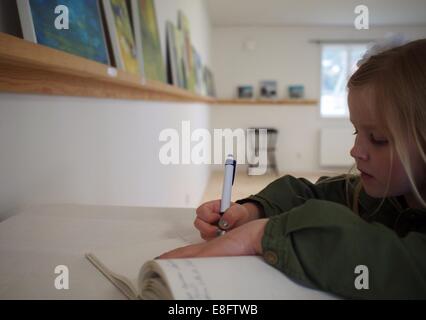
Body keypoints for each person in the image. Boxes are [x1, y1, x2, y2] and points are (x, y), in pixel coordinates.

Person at [158, 38, 426, 299]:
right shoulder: (384, 194)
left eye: (378, 138)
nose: (355, 150)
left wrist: (264, 234)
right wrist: (252, 210)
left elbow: (401, 265)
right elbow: (309, 193)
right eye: (356, 131)